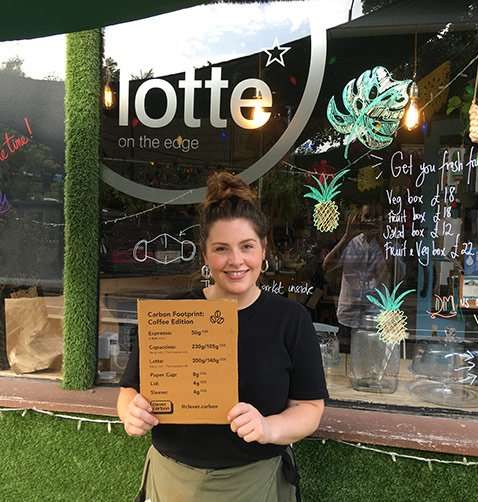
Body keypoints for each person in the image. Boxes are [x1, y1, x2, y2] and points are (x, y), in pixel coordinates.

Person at [117, 172, 328, 502]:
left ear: (263, 249)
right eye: (221, 249)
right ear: (205, 255)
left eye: (246, 246)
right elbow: (130, 390)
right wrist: (131, 412)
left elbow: (310, 409)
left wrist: (269, 428)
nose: (236, 261)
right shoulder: (170, 316)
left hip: (256, 484)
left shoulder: (291, 320)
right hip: (172, 482)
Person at [322, 204, 388, 346]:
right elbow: (327, 266)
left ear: (383, 220)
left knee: (371, 362)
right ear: (360, 219)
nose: (371, 221)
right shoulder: (351, 243)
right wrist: (347, 235)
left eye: (376, 217)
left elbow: (395, 275)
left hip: (374, 317)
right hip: (348, 316)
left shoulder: (387, 247)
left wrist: (382, 238)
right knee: (344, 361)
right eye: (367, 217)